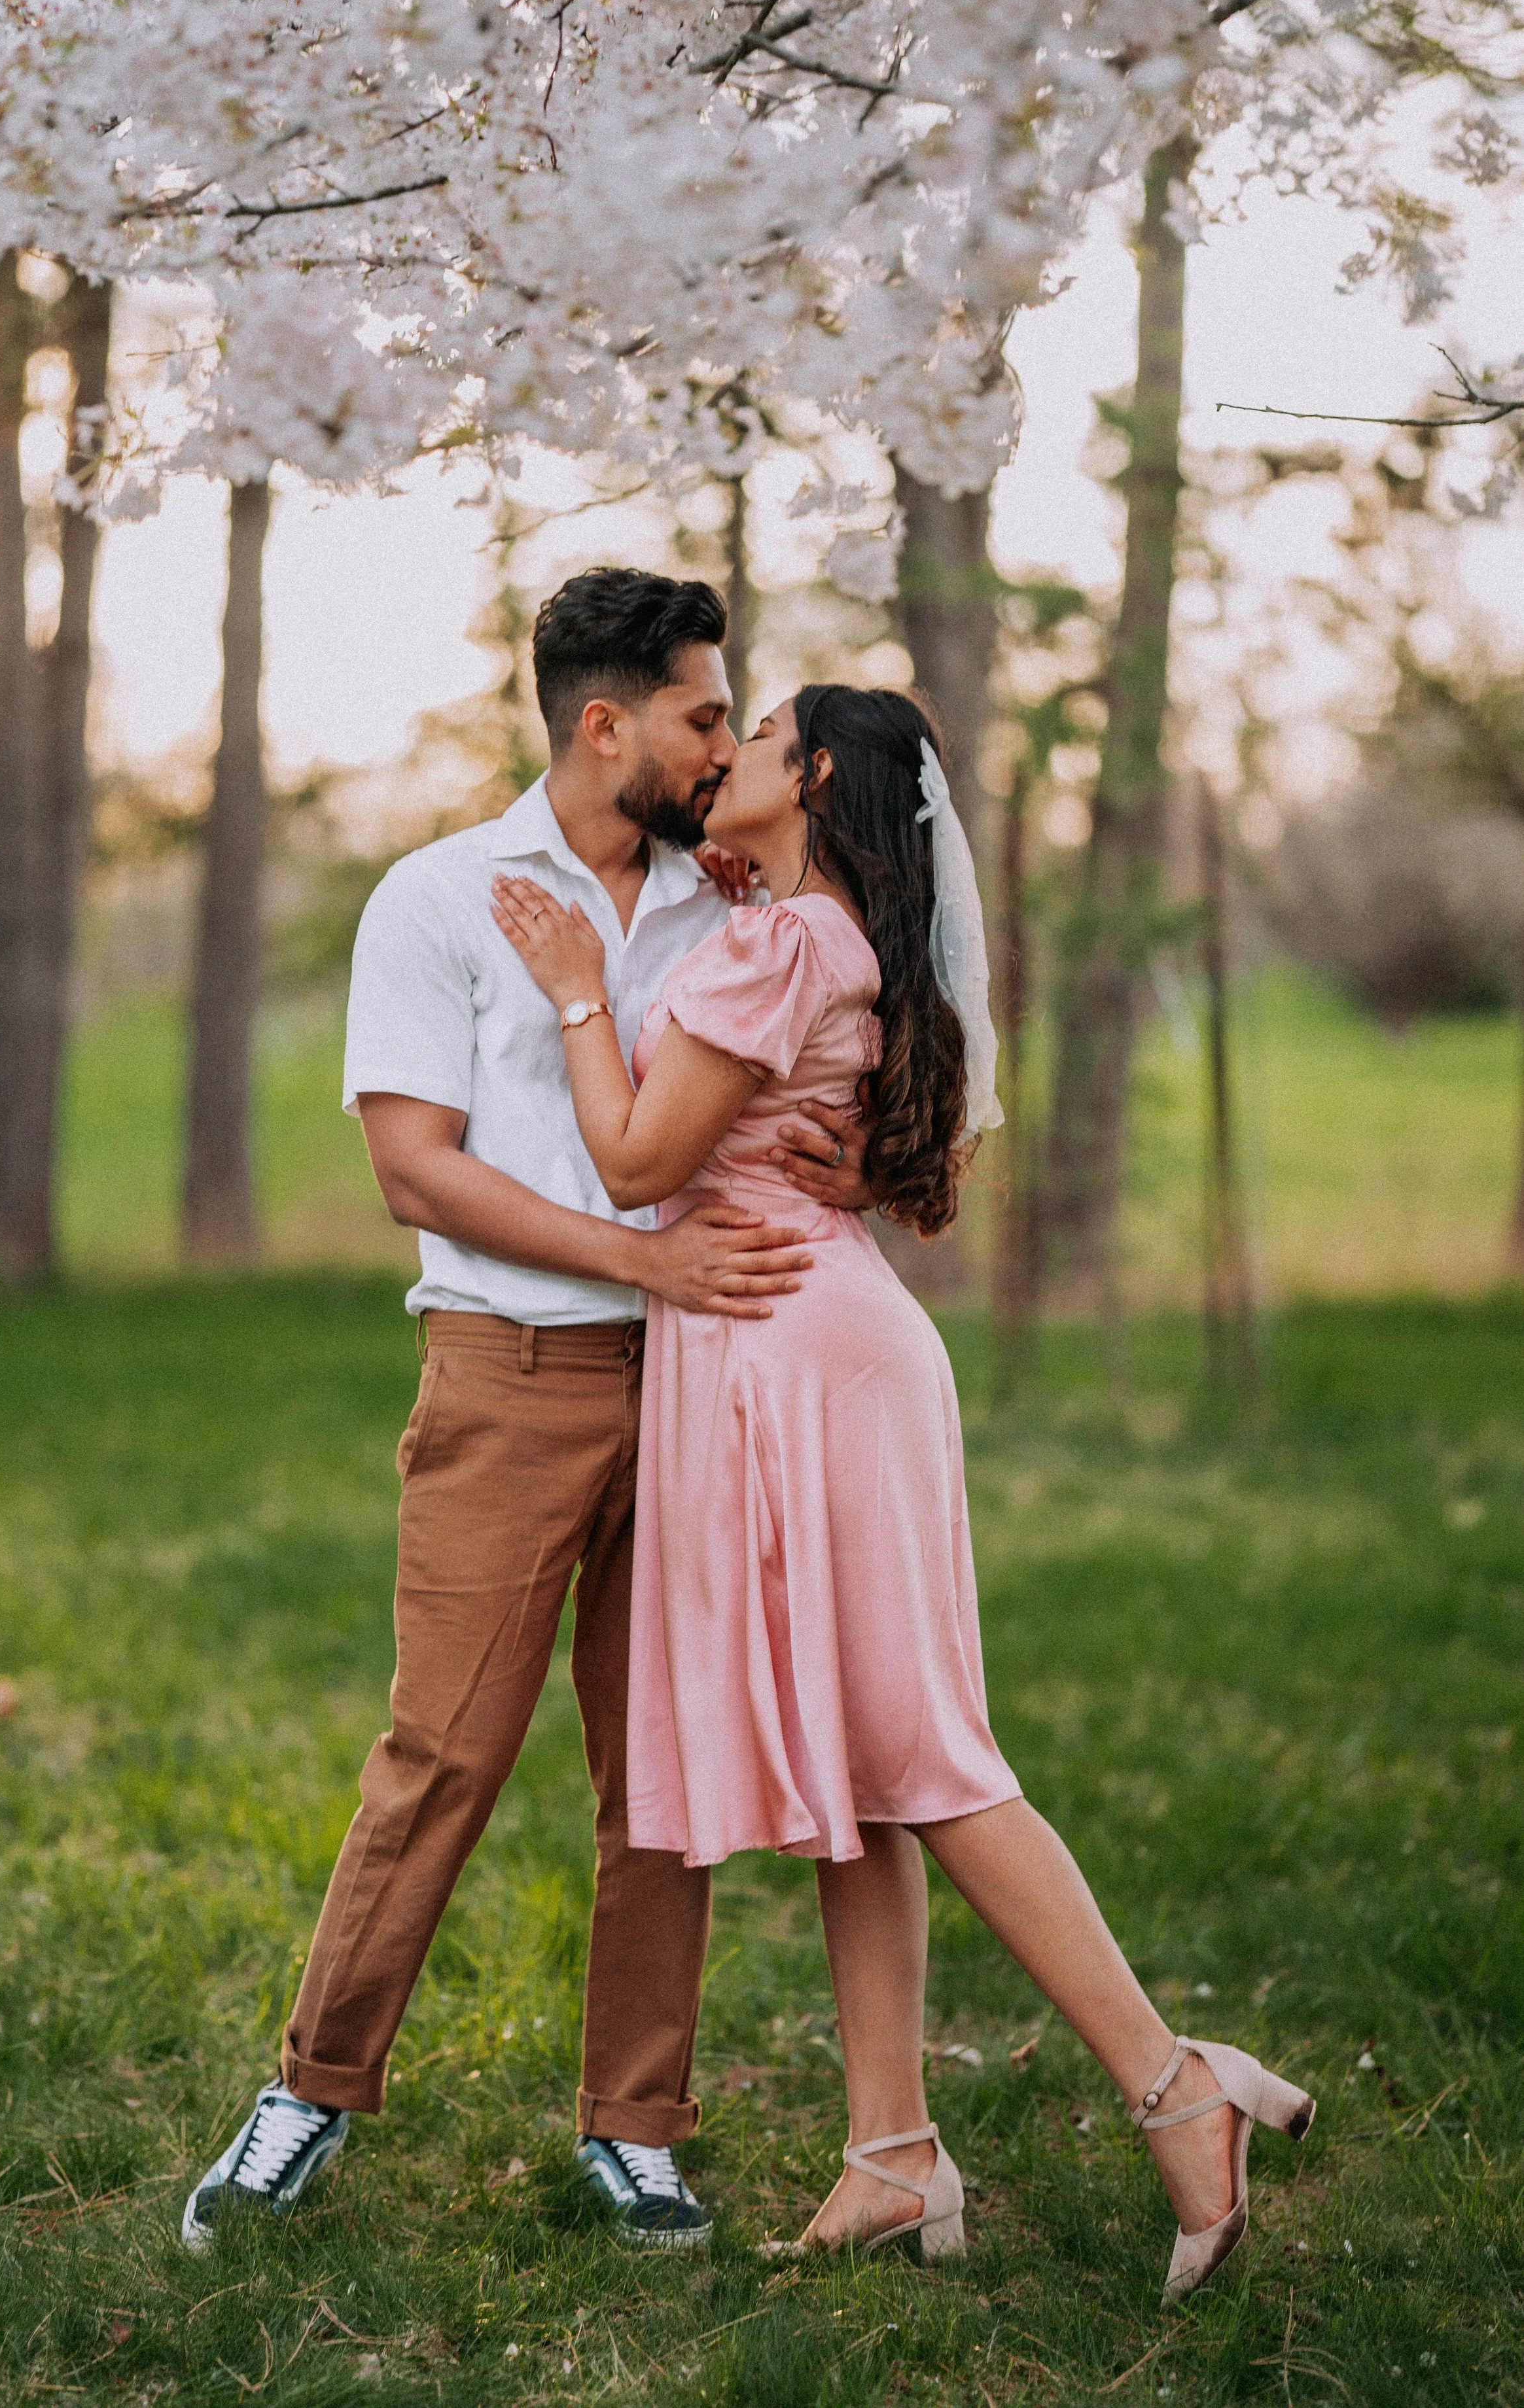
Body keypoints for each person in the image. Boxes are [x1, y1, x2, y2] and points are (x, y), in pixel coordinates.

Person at [491, 681, 1316, 2304]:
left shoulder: (782, 946)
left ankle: (1173, 2085)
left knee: (925, 1759)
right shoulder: (807, 931)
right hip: (797, 1348)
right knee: (858, 1769)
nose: (717, 755)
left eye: (755, 732)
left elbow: (642, 1163)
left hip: (804, 1361)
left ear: (810, 777)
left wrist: (583, 994)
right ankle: (890, 2154)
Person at [181, 571, 876, 2252]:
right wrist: (644, 1265)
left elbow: (811, 1083)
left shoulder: (736, 906)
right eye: (704, 714)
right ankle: (311, 2092)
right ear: (602, 720)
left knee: (663, 1771)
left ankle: (634, 2125)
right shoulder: (442, 896)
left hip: (709, 1388)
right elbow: (414, 1171)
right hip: (511, 1377)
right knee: (444, 1753)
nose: (725, 744)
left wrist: (834, 1167)